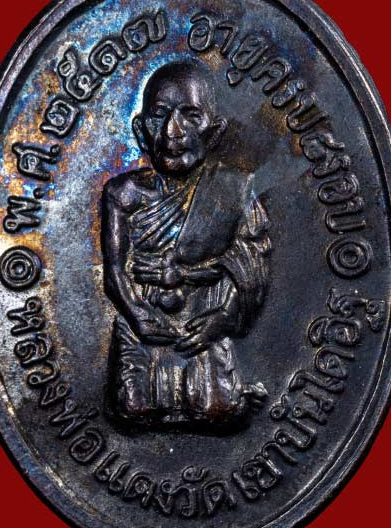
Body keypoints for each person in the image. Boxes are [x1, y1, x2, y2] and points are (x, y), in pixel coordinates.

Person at [101, 61, 271, 428]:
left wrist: (223, 318)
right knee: (133, 407)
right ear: (141, 130)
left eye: (190, 116)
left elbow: (252, 266)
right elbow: (114, 271)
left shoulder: (234, 191)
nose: (172, 131)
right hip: (145, 319)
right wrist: (136, 314)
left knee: (217, 409)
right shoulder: (123, 194)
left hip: (203, 320)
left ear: (214, 132)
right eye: (159, 115)